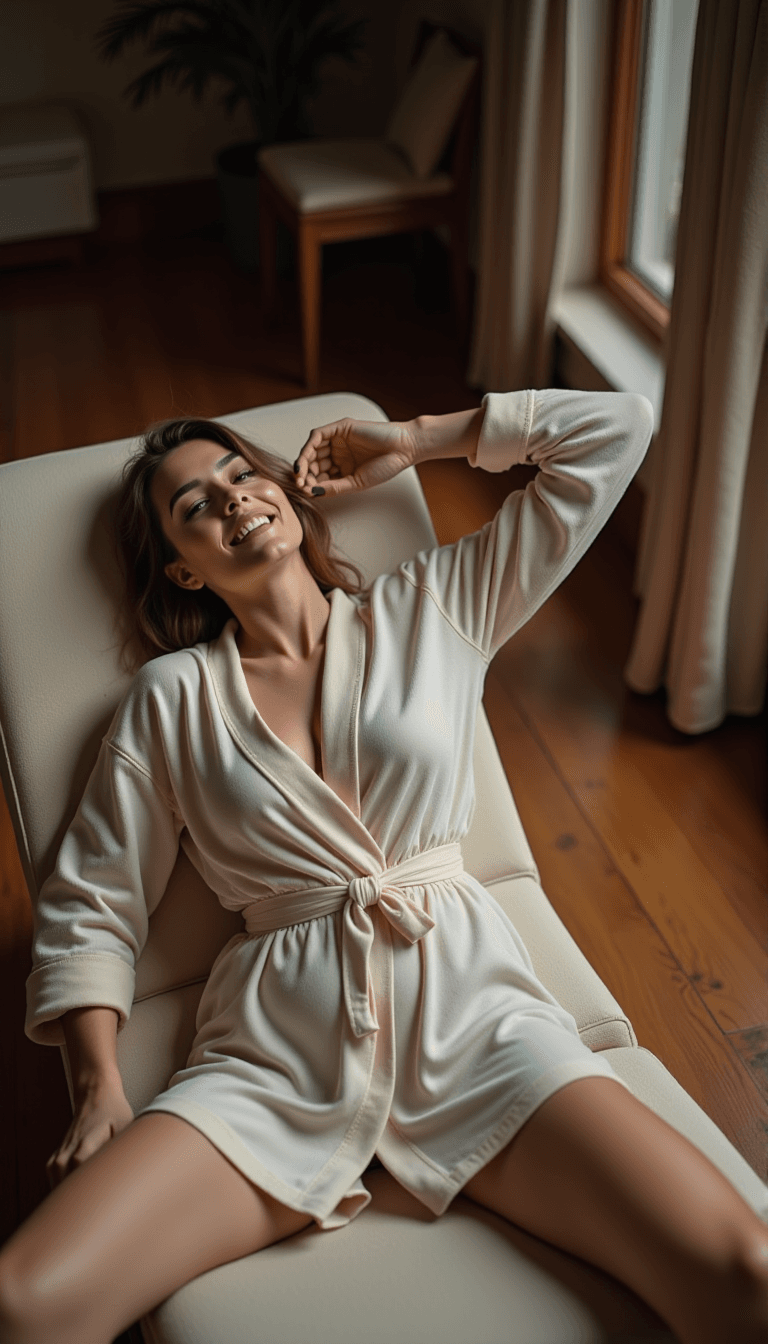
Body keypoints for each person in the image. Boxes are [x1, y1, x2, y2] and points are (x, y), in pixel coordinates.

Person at [1, 388, 767, 1344]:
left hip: (480, 1031)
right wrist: (97, 1086)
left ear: (285, 495)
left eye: (244, 474)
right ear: (181, 571)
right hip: (275, 1063)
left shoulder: (432, 607)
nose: (233, 498)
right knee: (26, 1299)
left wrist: (416, 440)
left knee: (746, 1270)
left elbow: (622, 430)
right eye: (194, 505)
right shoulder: (171, 703)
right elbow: (94, 903)